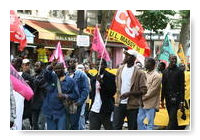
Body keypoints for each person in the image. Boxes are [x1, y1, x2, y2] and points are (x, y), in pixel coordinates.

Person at [113, 50, 147, 130]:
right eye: (126, 55)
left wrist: (130, 93)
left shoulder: (139, 72)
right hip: (119, 103)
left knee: (132, 128)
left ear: (134, 58)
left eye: (128, 55)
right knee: (116, 127)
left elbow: (144, 90)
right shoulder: (120, 69)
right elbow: (116, 84)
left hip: (133, 105)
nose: (126, 56)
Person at [42, 62, 79, 130]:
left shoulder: (70, 81)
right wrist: (51, 67)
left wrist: (65, 96)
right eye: (56, 69)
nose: (57, 70)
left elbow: (76, 95)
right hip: (49, 112)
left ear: (63, 69)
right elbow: (46, 74)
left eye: (59, 68)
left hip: (62, 112)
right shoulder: (51, 78)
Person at [89, 59, 116, 130]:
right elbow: (93, 93)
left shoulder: (111, 77)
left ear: (105, 66)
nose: (98, 66)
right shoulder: (94, 78)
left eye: (100, 64)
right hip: (94, 109)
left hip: (106, 109)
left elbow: (112, 92)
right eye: (97, 65)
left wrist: (102, 83)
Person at [161, 55, 185, 130]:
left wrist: (182, 101)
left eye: (175, 59)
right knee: (173, 118)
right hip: (168, 98)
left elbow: (182, 87)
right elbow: (163, 87)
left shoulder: (180, 72)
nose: (174, 60)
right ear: (169, 60)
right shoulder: (165, 72)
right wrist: (162, 99)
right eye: (172, 59)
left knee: (172, 118)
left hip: (176, 98)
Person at [137, 58, 162, 130]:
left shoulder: (156, 76)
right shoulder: (144, 74)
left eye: (146, 62)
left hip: (151, 105)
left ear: (152, 64)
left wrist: (141, 98)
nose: (145, 64)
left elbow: (152, 91)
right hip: (142, 103)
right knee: (139, 121)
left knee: (150, 124)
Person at [67, 58, 90, 130]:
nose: (72, 63)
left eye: (74, 61)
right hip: (66, 102)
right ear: (68, 63)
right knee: (67, 123)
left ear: (77, 63)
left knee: (74, 123)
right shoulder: (65, 74)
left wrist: (80, 101)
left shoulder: (81, 75)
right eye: (71, 62)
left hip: (75, 103)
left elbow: (86, 89)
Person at [31, 61, 47, 130]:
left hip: (43, 103)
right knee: (34, 123)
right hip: (34, 103)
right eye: (34, 66)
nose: (35, 67)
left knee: (40, 124)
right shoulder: (34, 76)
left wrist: (31, 79)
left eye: (37, 66)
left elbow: (38, 82)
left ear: (42, 67)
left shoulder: (45, 76)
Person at [21, 59, 34, 129]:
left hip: (30, 103)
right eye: (25, 65)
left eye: (28, 65)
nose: (27, 66)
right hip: (21, 101)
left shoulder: (32, 75)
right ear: (22, 65)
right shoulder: (19, 75)